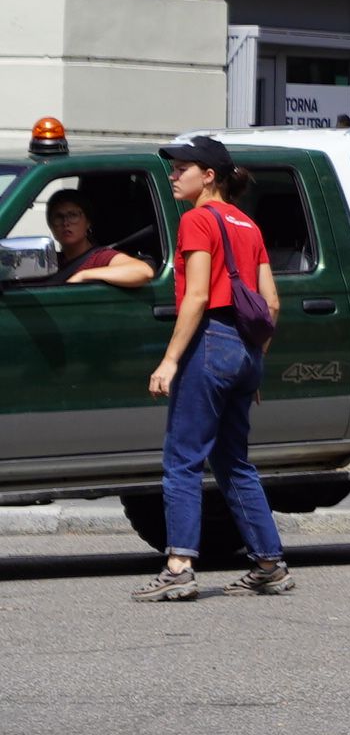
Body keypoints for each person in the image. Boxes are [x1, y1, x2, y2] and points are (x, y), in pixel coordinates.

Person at [139, 136, 287, 602]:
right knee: (233, 462)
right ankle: (269, 563)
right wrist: (254, 361)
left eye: (181, 168)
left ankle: (179, 566)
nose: (172, 175)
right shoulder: (248, 224)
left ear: (208, 176)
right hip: (244, 349)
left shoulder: (198, 221)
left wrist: (169, 359)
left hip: (210, 342)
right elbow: (272, 303)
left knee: (182, 460)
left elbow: (198, 296)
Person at [47, 192, 154, 288]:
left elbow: (144, 271)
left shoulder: (100, 257)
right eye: (58, 217)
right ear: (51, 226)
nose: (65, 223)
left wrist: (84, 275)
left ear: (88, 222)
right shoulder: (51, 262)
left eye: (73, 215)